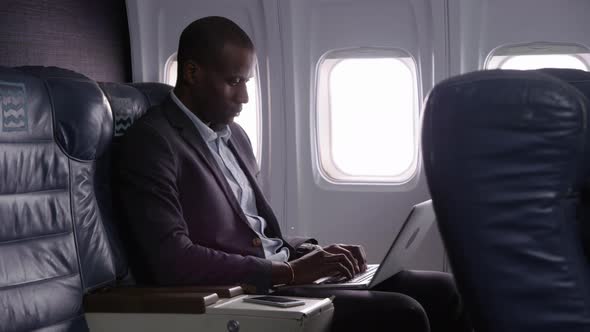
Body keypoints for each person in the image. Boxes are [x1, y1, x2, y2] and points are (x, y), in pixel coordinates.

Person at [115, 16, 471, 332]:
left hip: (284, 271)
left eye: (247, 82)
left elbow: (255, 232)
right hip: (243, 292)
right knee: (402, 314)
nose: (245, 98)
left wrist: (313, 253)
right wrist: (289, 273)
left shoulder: (235, 136)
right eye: (234, 81)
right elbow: (171, 261)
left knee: (445, 290)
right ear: (192, 73)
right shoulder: (152, 143)